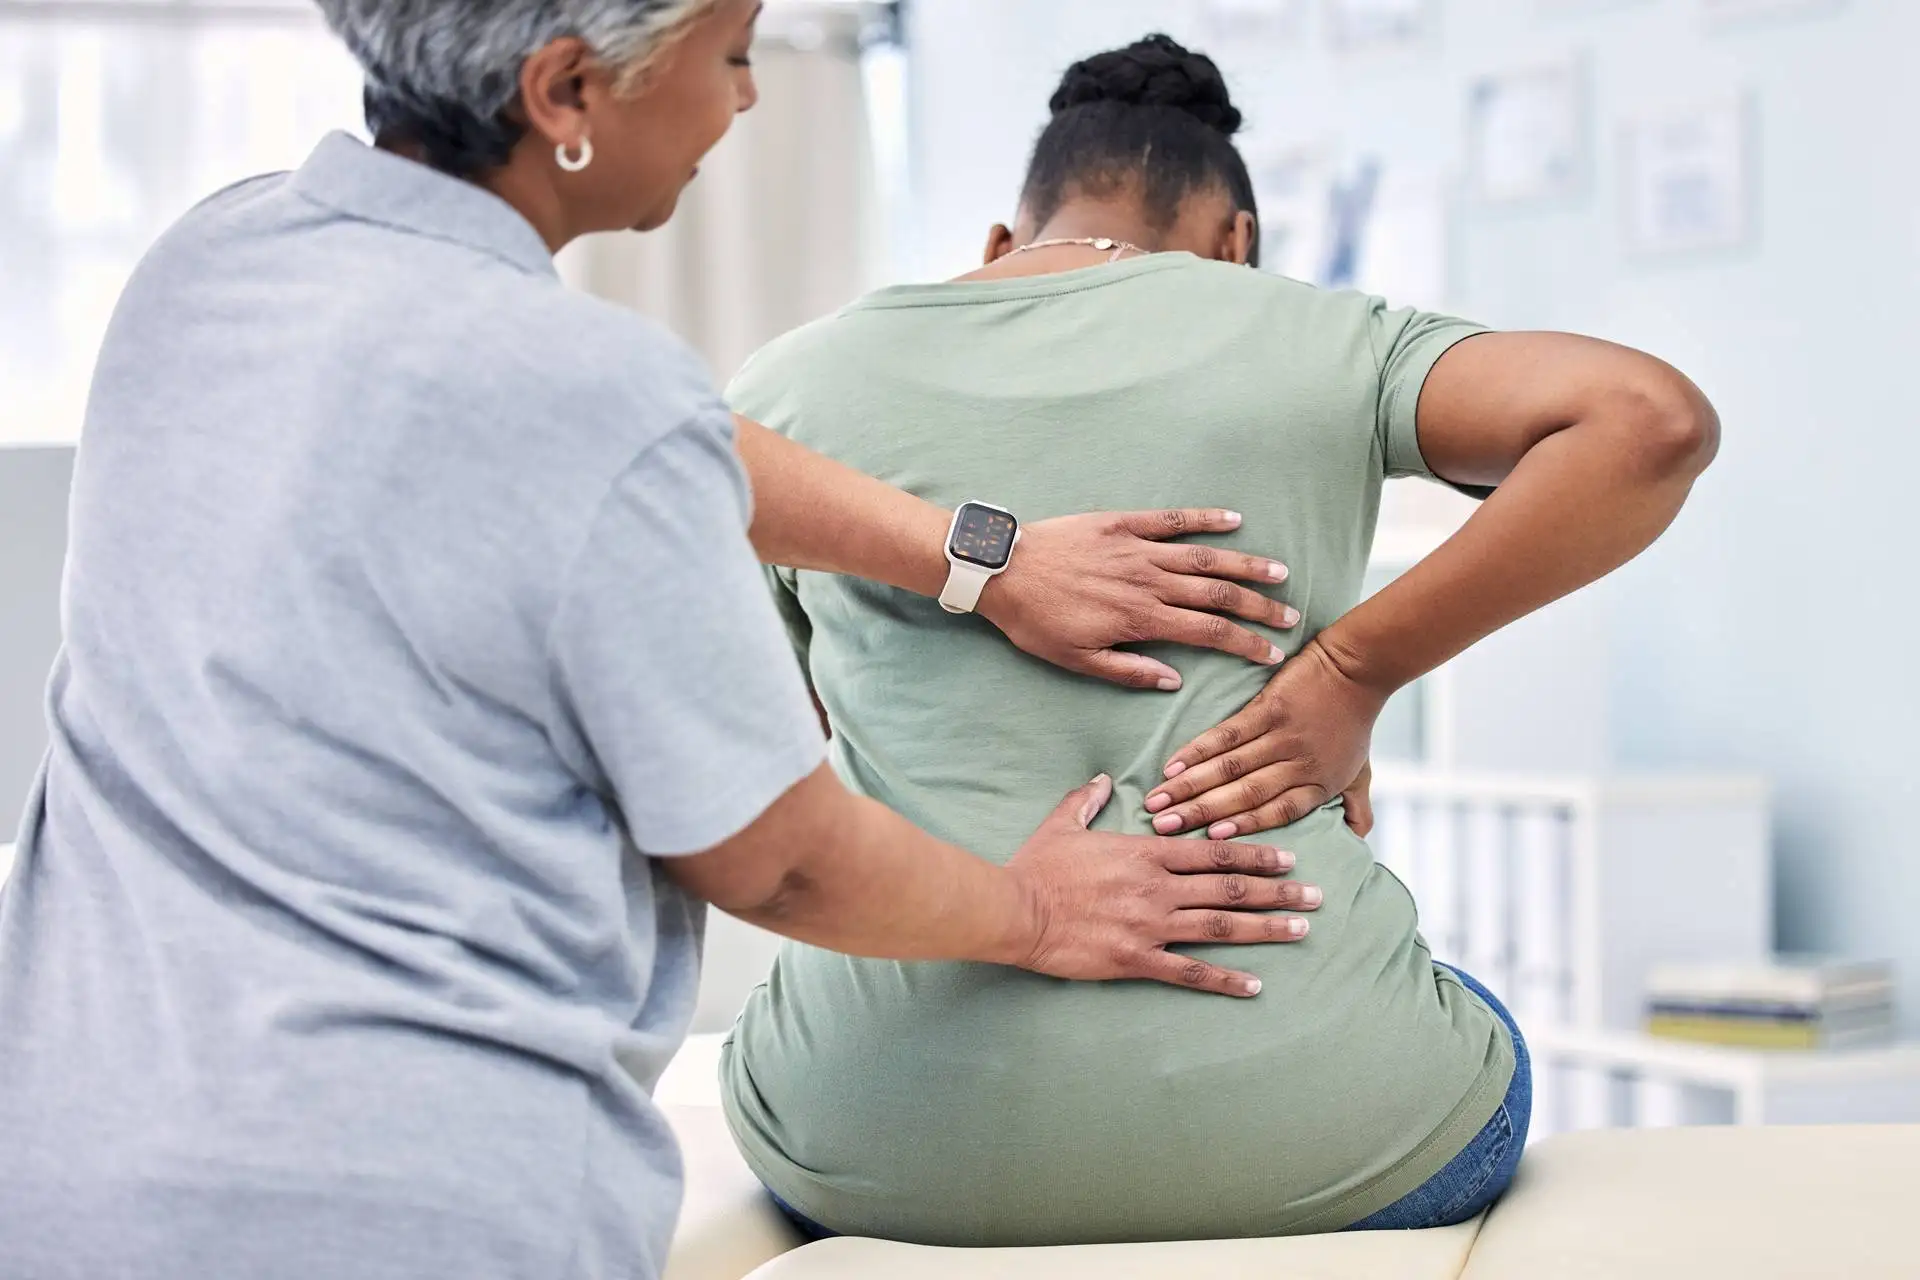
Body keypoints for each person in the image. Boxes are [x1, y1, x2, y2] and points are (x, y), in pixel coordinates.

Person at [0, 8, 1349, 1280]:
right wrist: (1039, 909)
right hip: (408, 1206)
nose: (748, 96)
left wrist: (974, 557)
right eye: (735, 50)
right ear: (566, 90)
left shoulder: (212, 258)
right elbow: (783, 858)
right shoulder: (600, 397)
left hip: (68, 1164)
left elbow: (685, 444)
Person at [720, 34, 1720, 1245]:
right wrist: (1353, 670)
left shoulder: (778, 396)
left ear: (998, 244)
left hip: (874, 1141)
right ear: (1238, 243)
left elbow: (786, 757)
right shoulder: (1322, 336)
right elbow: (1649, 422)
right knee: (1478, 1028)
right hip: (1332, 1133)